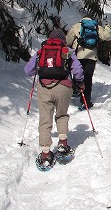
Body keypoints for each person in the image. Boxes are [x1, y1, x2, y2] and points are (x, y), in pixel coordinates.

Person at [24, 28, 85, 170]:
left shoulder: (41, 51)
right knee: (62, 115)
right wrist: (79, 82)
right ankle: (63, 144)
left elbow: (28, 70)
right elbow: (78, 70)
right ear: (63, 40)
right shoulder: (67, 51)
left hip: (44, 88)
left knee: (45, 118)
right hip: (64, 87)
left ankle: (45, 153)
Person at [66, 16, 111, 110]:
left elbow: (67, 41)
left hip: (78, 55)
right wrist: (107, 28)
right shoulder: (96, 27)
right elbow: (107, 36)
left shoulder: (76, 26)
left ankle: (75, 90)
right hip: (91, 56)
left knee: (77, 73)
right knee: (88, 78)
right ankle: (86, 102)